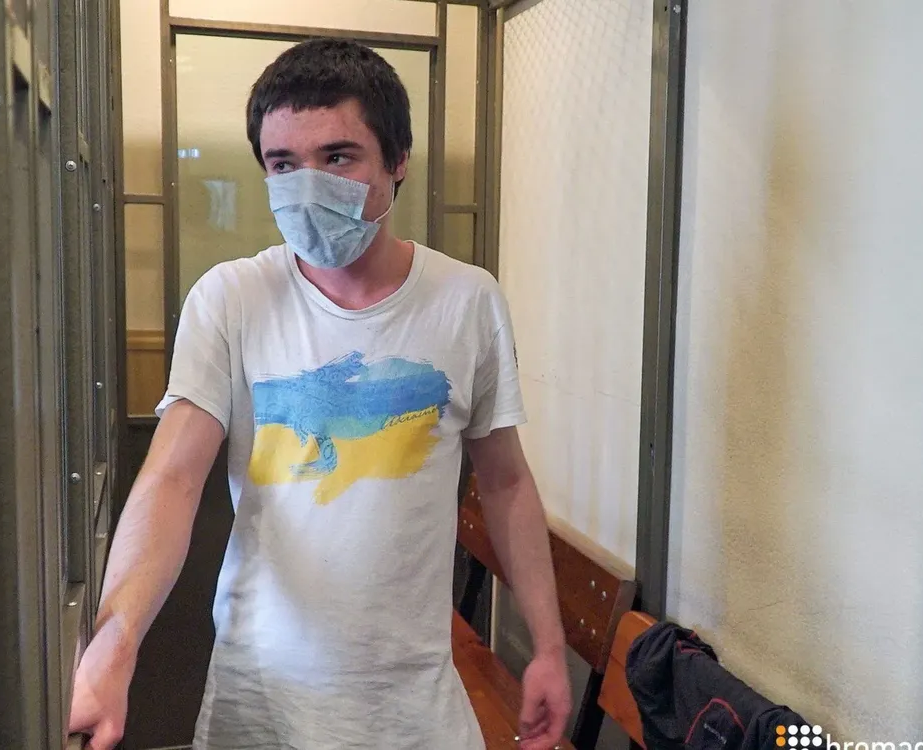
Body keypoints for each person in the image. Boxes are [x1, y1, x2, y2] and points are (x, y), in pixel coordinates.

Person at [70, 39, 571, 750]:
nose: (307, 186)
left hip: (411, 702)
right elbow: (173, 477)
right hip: (258, 697)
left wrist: (546, 646)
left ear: (398, 161)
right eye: (283, 164)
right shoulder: (231, 298)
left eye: (338, 157)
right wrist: (116, 644)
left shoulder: (467, 301)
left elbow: (506, 481)